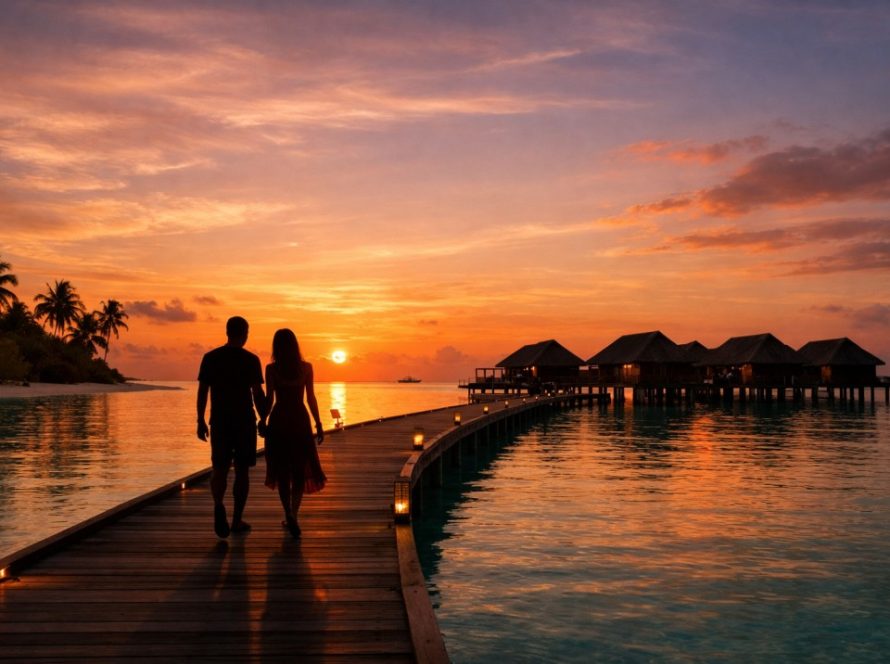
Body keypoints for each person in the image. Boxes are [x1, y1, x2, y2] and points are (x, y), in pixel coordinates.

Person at [197, 316, 267, 538]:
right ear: (245, 334)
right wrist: (265, 418)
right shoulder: (251, 360)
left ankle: (218, 504)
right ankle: (236, 520)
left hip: (220, 420)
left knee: (219, 468)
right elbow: (257, 393)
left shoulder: (211, 358)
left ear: (227, 332)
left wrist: (200, 420)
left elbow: (203, 392)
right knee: (242, 471)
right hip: (244, 421)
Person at [258, 328, 326, 539]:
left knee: (282, 470)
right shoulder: (306, 368)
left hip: (279, 420)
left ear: (276, 347)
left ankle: (288, 512)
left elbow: (270, 399)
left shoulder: (272, 369)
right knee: (298, 471)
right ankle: (293, 514)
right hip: (299, 421)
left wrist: (262, 419)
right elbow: (311, 398)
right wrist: (318, 423)